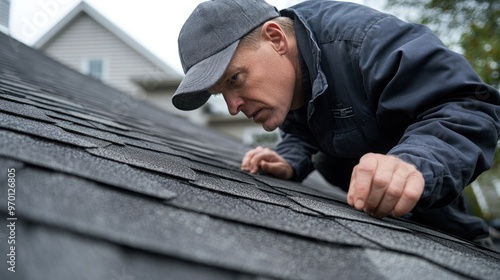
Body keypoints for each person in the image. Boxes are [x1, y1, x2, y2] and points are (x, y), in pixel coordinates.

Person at [172, 0, 500, 244]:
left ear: (275, 38)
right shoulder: (289, 79)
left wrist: (414, 162)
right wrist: (290, 158)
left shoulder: (365, 43)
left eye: (235, 79)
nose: (233, 107)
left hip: (444, 213)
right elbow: (309, 123)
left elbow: (468, 107)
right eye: (221, 95)